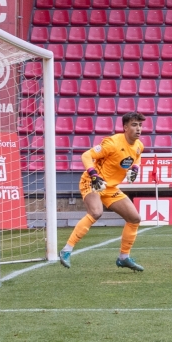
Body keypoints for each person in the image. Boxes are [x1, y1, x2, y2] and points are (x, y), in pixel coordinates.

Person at [59, 112, 146, 271]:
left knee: (134, 218)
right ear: (125, 127)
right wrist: (94, 175)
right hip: (92, 182)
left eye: (140, 125)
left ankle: (124, 257)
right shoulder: (112, 143)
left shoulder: (139, 146)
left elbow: (137, 157)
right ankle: (66, 250)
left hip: (110, 187)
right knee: (96, 212)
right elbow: (86, 155)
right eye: (134, 125)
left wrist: (135, 168)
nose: (138, 128)